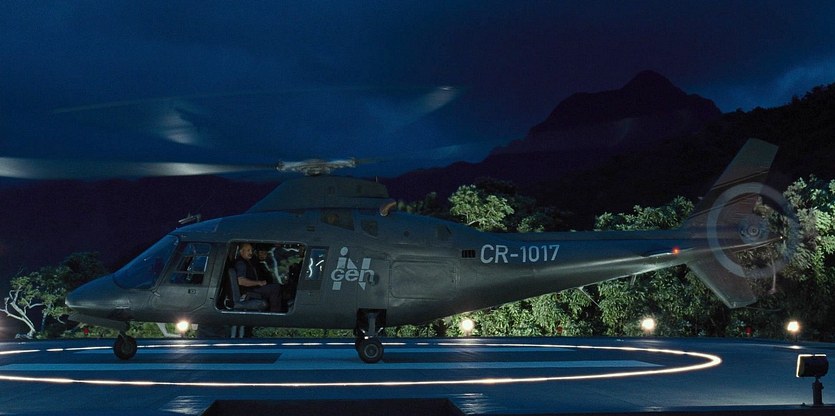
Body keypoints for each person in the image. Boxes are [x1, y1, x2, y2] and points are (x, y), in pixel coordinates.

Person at [234, 243, 283, 312]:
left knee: (276, 286)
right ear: (241, 252)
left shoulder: (251, 261)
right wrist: (259, 282)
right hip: (249, 291)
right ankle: (275, 314)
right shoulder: (241, 264)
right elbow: (241, 281)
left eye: (251, 250)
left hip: (254, 288)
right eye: (248, 250)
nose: (251, 253)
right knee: (275, 288)